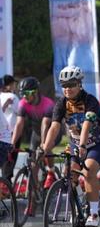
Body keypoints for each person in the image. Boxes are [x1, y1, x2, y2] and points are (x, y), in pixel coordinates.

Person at [42, 66, 100, 227]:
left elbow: (87, 124)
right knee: (68, 176)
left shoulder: (90, 101)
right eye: (64, 85)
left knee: (88, 171)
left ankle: (94, 214)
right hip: (76, 143)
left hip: (99, 144)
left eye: (71, 84)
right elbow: (54, 127)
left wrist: (83, 145)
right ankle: (81, 203)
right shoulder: (61, 104)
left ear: (79, 84)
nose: (67, 89)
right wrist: (45, 148)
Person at [9, 77, 57, 207]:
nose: (24, 96)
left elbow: (45, 124)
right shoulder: (23, 104)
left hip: (51, 131)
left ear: (35, 92)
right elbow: (19, 124)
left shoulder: (47, 104)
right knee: (33, 165)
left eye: (27, 93)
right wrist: (12, 144)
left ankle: (51, 171)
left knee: (47, 147)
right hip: (36, 133)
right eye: (22, 94)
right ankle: (34, 196)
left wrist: (44, 144)